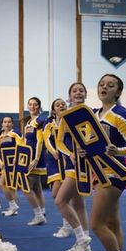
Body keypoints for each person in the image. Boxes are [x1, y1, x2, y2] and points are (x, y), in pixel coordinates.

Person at [86, 74, 126, 251]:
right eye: (101, 84)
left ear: (118, 92)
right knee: (112, 222)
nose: (104, 87)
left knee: (96, 224)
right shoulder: (94, 114)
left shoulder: (121, 114)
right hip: (99, 172)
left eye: (110, 85)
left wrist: (118, 151)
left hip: (114, 174)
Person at [55, 82, 92, 251]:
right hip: (71, 163)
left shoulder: (93, 114)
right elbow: (59, 141)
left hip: (87, 164)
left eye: (81, 90)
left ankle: (82, 238)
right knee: (77, 204)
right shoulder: (65, 116)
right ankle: (85, 243)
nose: (78, 93)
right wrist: (70, 154)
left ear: (86, 94)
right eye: (74, 91)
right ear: (70, 96)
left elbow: (97, 139)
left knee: (60, 201)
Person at [43, 98, 73, 238]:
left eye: (63, 104)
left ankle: (68, 225)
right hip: (55, 160)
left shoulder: (71, 120)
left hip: (69, 158)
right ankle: (67, 223)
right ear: (53, 110)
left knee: (63, 196)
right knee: (56, 194)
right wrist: (53, 151)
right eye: (57, 104)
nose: (61, 105)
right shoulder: (49, 124)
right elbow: (46, 139)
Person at [23, 97, 48, 226]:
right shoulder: (28, 122)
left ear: (39, 106)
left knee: (25, 187)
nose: (32, 107)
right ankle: (42, 213)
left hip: (36, 158)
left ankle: (38, 215)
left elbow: (40, 141)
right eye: (30, 104)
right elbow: (25, 142)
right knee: (37, 188)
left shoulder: (39, 121)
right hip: (28, 158)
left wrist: (35, 159)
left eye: (35, 105)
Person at [0, 116, 21, 217]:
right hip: (5, 164)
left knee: (6, 185)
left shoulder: (16, 134)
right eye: (5, 122)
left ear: (12, 124)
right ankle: (13, 207)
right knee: (7, 185)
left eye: (9, 122)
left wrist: (17, 158)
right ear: (2, 124)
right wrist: (0, 162)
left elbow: (21, 146)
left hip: (14, 163)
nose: (7, 124)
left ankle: (13, 206)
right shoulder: (0, 137)